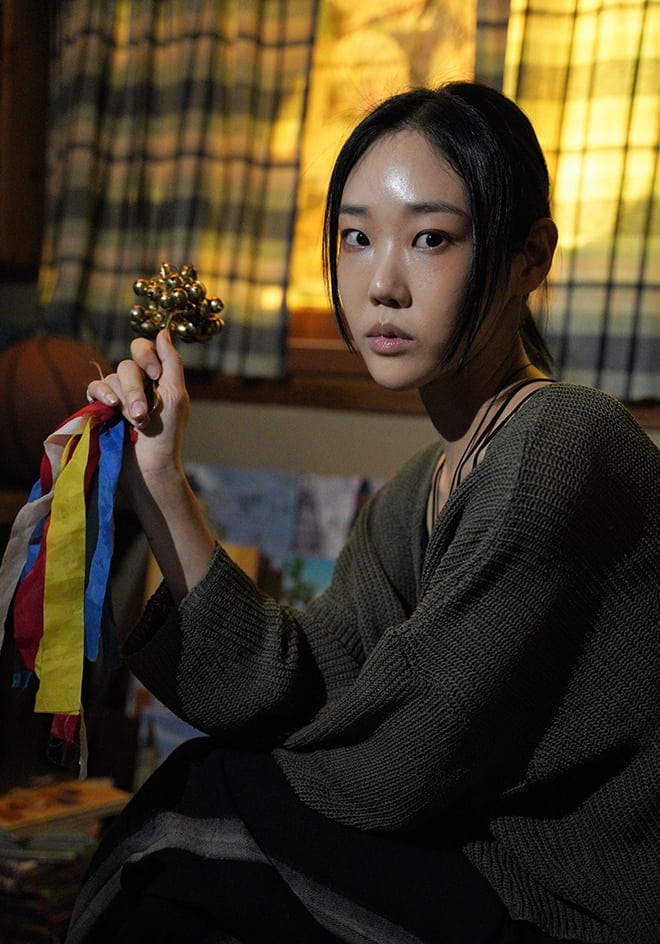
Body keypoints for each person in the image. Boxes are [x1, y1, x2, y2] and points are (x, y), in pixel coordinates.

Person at [65, 82, 660, 944]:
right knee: (196, 815)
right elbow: (295, 683)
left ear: (531, 257)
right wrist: (160, 477)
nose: (381, 284)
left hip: (576, 909)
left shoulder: (562, 445)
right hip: (478, 870)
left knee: (201, 809)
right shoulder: (418, 490)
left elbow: (399, 765)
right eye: (355, 237)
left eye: (430, 238)